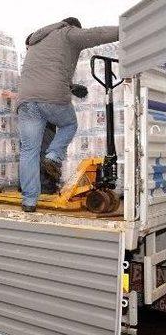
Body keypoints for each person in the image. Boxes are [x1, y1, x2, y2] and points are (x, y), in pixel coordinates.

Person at [17, 17, 118, 212]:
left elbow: (45, 71)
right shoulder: (68, 33)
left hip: (26, 99)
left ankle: (29, 202)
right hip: (52, 96)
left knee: (29, 150)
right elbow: (97, 34)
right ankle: (54, 156)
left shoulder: (37, 41)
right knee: (69, 124)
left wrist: (71, 86)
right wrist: (125, 29)